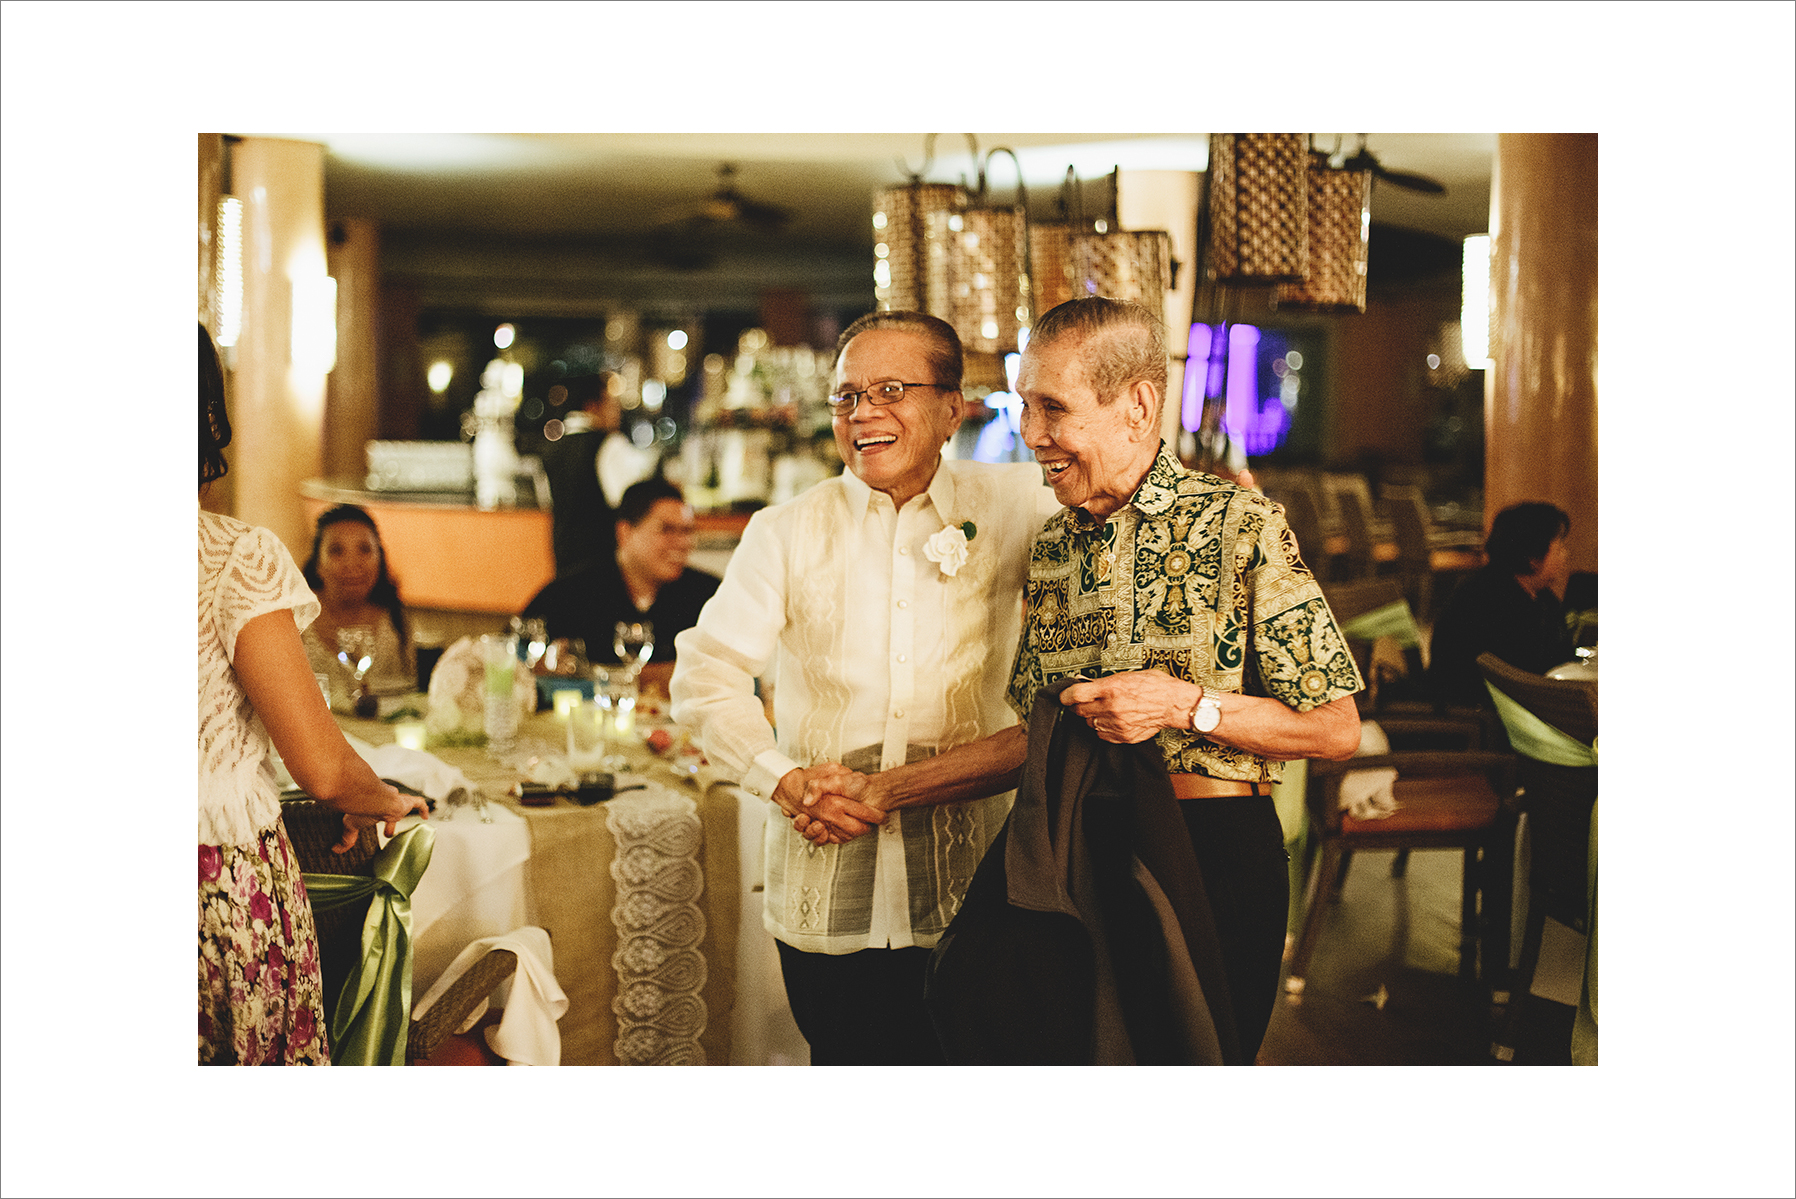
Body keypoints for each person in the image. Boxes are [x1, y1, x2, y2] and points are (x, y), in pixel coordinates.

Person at [798, 298, 1362, 1063]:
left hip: (1211, 854)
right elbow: (1034, 739)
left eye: (1052, 408)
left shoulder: (1241, 524)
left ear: (1137, 406)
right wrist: (885, 790)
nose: (1031, 435)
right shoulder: (1055, 544)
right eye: (1024, 405)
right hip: (1075, 857)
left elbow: (1334, 727)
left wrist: (1183, 705)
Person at [669, 311, 1059, 1065]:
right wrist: (784, 781)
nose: (864, 414)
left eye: (890, 390)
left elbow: (1117, 494)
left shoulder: (1016, 504)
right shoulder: (784, 530)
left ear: (953, 407)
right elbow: (707, 674)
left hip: (971, 884)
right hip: (825, 881)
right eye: (846, 396)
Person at [198, 324, 426, 1065]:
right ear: (208, 414)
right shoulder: (234, 555)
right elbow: (323, 768)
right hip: (211, 886)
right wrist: (386, 798)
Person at [521, 476, 719, 695]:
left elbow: (738, 676)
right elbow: (516, 665)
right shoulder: (569, 594)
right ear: (625, 532)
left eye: (687, 531)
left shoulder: (709, 595)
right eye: (667, 530)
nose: (682, 543)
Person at [1428, 501, 1575, 711]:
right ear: (1533, 558)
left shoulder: (1539, 596)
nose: (1565, 555)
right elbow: (1519, 680)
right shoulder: (1487, 601)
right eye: (1559, 547)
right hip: (1484, 717)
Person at [542, 374, 661, 576]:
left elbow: (549, 499)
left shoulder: (552, 448)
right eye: (613, 404)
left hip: (562, 551)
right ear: (592, 406)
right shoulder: (608, 444)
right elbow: (628, 500)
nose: (618, 413)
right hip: (601, 556)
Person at [300, 505, 416, 710]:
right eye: (337, 551)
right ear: (317, 562)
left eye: (365, 549)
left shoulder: (395, 619)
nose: (352, 563)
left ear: (380, 557)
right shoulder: (296, 620)